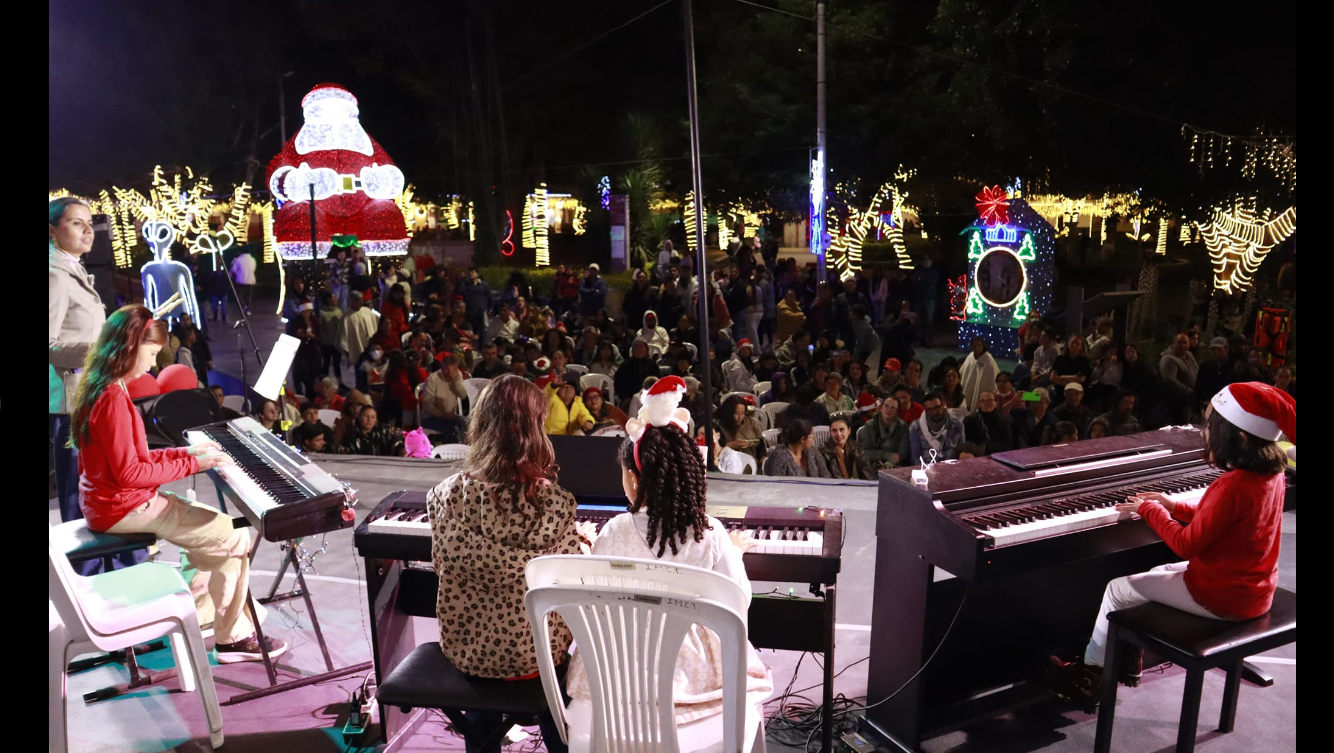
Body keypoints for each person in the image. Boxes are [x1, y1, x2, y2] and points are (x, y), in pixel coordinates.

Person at [1050, 383, 1294, 710]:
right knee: (1154, 573)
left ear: (1241, 437)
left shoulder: (1233, 484)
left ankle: (1088, 676)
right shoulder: (1270, 474)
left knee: (1116, 590)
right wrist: (1173, 506)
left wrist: (1150, 510)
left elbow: (1186, 544)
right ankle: (1129, 660)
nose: (1206, 433)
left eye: (1212, 427)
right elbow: (1220, 520)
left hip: (1222, 598)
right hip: (1253, 589)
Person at [71, 304, 285, 661]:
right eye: (152, 353)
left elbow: (135, 459)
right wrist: (192, 464)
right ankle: (233, 637)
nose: (154, 364)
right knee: (232, 536)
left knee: (208, 528)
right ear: (129, 346)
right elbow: (131, 474)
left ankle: (201, 615)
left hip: (113, 502)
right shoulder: (112, 399)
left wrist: (186, 456)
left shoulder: (105, 388)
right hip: (122, 507)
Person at [570, 377, 773, 721]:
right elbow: (739, 601)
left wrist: (589, 547)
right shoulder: (709, 533)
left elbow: (595, 594)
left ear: (633, 478)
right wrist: (734, 553)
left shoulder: (616, 531)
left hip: (618, 681)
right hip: (694, 682)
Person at [426, 375, 581, 753]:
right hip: (537, 657)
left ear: (481, 425)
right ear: (535, 430)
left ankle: (483, 741)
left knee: (482, 665)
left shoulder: (446, 497)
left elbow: (439, 563)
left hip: (469, 652)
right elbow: (569, 579)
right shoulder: (556, 504)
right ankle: (559, 735)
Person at [422, 354, 469, 442]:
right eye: (446, 369)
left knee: (466, 423)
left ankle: (463, 449)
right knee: (452, 429)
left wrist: (455, 382)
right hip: (432, 417)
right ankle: (450, 453)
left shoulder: (457, 376)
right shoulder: (432, 379)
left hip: (450, 416)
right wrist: (442, 414)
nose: (449, 373)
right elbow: (427, 405)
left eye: (453, 370)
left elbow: (463, 395)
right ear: (442, 368)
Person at [763, 419, 832, 478]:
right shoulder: (780, 456)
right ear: (802, 439)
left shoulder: (813, 451)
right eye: (812, 435)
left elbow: (826, 476)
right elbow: (776, 485)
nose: (814, 438)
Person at [909, 392, 965, 463]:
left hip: (951, 467)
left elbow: (962, 450)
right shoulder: (915, 427)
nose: (934, 412)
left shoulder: (957, 425)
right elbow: (915, 457)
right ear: (925, 410)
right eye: (929, 410)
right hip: (927, 468)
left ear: (943, 404)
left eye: (937, 408)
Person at [859, 394, 910, 469]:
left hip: (895, 466)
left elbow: (902, 453)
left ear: (897, 412)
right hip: (872, 466)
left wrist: (889, 463)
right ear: (881, 408)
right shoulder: (869, 426)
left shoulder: (903, 427)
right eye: (886, 406)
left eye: (893, 408)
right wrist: (886, 455)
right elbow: (865, 452)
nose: (889, 410)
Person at [715, 393, 766, 464]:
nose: (740, 417)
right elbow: (715, 452)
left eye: (743, 413)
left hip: (753, 462)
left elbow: (761, 444)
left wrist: (762, 457)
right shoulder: (719, 427)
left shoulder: (752, 422)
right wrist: (731, 445)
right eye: (736, 414)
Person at [819, 416, 875, 480]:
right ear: (830, 433)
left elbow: (867, 473)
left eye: (841, 429)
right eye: (834, 430)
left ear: (849, 431)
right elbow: (825, 477)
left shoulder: (857, 448)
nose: (838, 434)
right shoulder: (823, 451)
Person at [962, 391, 1016, 455]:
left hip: (1001, 454)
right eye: (982, 401)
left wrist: (987, 447)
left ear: (996, 403)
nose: (986, 403)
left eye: (990, 400)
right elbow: (970, 442)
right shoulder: (970, 419)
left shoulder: (1004, 419)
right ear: (979, 403)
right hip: (978, 453)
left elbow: (1008, 444)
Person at [339, 405, 405, 456]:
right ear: (359, 417)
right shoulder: (351, 434)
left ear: (376, 420)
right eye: (365, 416)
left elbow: (400, 434)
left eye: (373, 417)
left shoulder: (383, 432)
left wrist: (401, 447)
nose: (369, 420)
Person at [959, 337, 999, 410]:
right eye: (974, 346)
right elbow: (963, 373)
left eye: (979, 346)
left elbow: (992, 379)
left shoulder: (988, 360)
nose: (977, 348)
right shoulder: (970, 356)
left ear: (983, 346)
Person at [340, 295, 378, 370]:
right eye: (357, 301)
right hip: (356, 348)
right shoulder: (347, 316)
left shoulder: (368, 312)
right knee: (359, 370)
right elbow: (344, 334)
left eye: (361, 300)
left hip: (369, 346)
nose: (360, 303)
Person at [229, 246, 257, 314]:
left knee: (239, 296)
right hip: (251, 281)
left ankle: (244, 306)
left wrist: (237, 274)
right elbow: (254, 269)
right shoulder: (253, 259)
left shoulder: (238, 259)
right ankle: (248, 310)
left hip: (240, 280)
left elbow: (233, 270)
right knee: (248, 296)